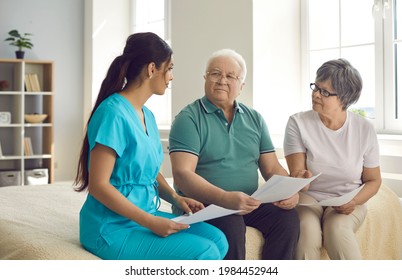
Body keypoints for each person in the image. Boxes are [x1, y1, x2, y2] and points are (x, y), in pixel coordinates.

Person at [74, 32, 228, 260]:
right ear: (152, 69)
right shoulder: (112, 114)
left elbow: (149, 172)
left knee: (218, 240)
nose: (172, 77)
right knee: (206, 252)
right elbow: (99, 185)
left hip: (144, 214)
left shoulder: (148, 116)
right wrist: (150, 222)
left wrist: (176, 199)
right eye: (170, 68)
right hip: (111, 227)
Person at [169, 49, 300, 260]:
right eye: (215, 73)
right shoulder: (188, 119)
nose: (222, 80)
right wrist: (224, 198)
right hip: (204, 204)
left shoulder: (255, 119)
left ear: (241, 86)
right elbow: (183, 175)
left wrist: (289, 191)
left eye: (230, 76)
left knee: (287, 218)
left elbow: (272, 168)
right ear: (205, 78)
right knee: (231, 223)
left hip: (248, 201)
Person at [284, 58, 382, 260]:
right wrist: (300, 177)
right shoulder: (298, 122)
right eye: (316, 87)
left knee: (337, 231)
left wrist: (354, 201)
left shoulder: (364, 129)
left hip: (347, 197)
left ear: (344, 99)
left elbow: (374, 180)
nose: (316, 94)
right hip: (309, 197)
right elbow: (296, 174)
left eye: (325, 92)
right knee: (308, 234)